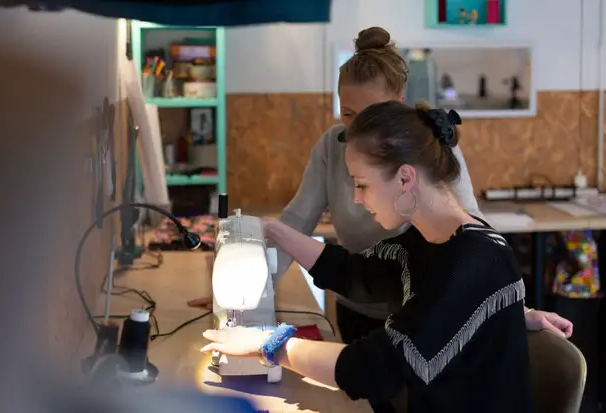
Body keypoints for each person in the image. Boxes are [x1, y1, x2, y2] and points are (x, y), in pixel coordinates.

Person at [201, 101, 533, 413]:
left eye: (362, 185)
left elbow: (370, 369)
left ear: (405, 178)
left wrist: (267, 344)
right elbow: (355, 273)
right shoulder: (425, 240)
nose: (357, 199)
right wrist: (275, 232)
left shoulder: (472, 263)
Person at [274, 26, 572, 349]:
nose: (358, 127)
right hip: (357, 302)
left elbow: (471, 238)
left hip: (423, 315)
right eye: (348, 114)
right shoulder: (331, 148)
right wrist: (255, 290)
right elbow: (295, 227)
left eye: (372, 114)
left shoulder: (428, 144)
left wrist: (512, 309)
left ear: (406, 177)